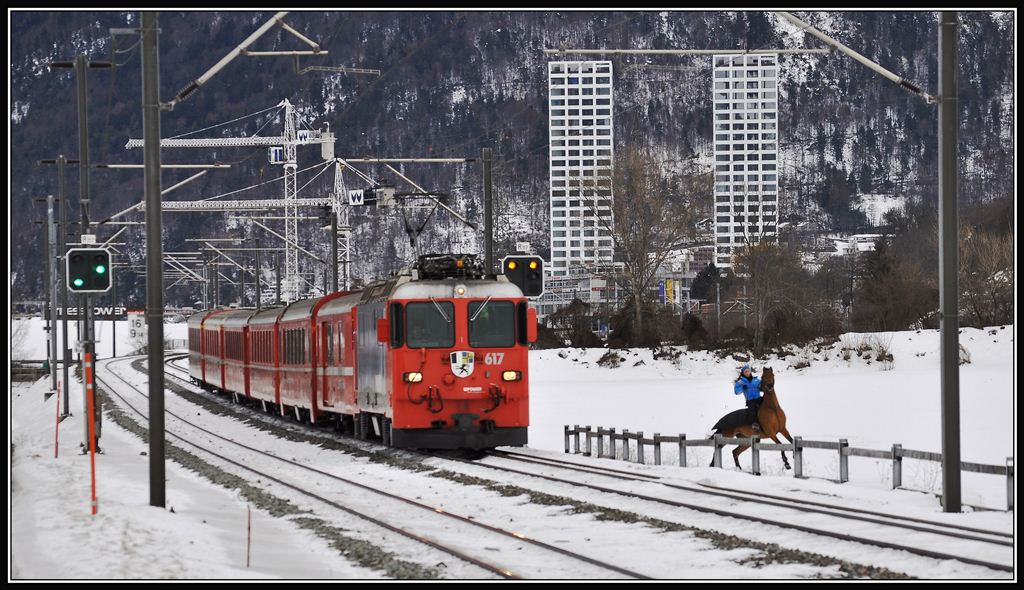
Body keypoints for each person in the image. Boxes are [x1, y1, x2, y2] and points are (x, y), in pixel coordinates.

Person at [733, 364, 762, 432]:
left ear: (750, 371)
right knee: (752, 411)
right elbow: (736, 392)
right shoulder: (740, 382)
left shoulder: (756, 380)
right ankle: (755, 424)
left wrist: (761, 387)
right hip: (750, 400)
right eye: (745, 371)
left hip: (758, 398)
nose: (747, 372)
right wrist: (742, 388)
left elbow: (762, 387)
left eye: (748, 371)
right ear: (743, 372)